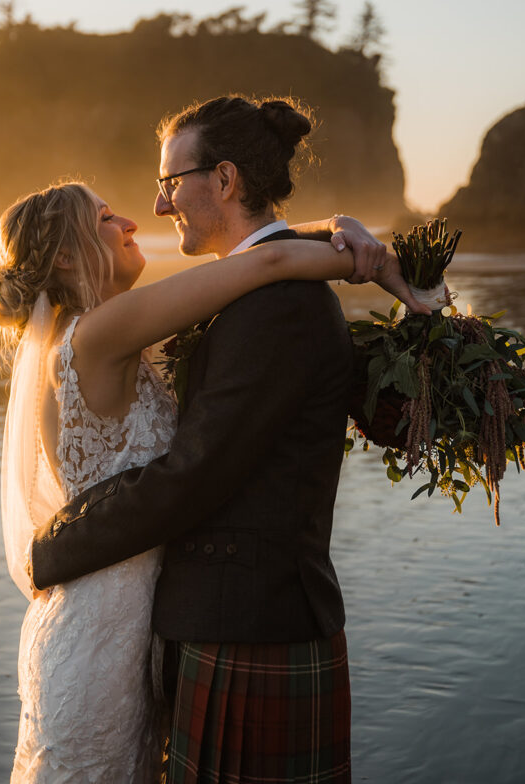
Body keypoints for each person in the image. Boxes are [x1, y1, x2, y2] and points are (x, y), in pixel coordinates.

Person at [28, 96, 428, 783]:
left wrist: (55, 548)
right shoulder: (247, 291)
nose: (158, 207)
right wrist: (332, 229)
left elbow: (196, 474)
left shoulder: (277, 304)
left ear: (224, 180)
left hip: (250, 620)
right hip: (218, 617)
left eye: (168, 183)